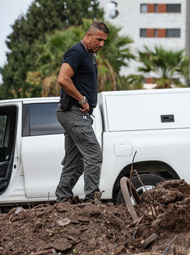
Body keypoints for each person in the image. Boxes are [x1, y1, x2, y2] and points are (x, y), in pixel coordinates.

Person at [55, 22, 109, 203]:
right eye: (98, 39)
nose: (101, 44)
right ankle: (92, 201)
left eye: (104, 41)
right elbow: (63, 79)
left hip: (75, 114)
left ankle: (62, 199)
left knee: (75, 162)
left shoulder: (89, 55)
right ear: (88, 35)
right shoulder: (77, 52)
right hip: (73, 112)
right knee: (94, 154)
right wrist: (82, 99)